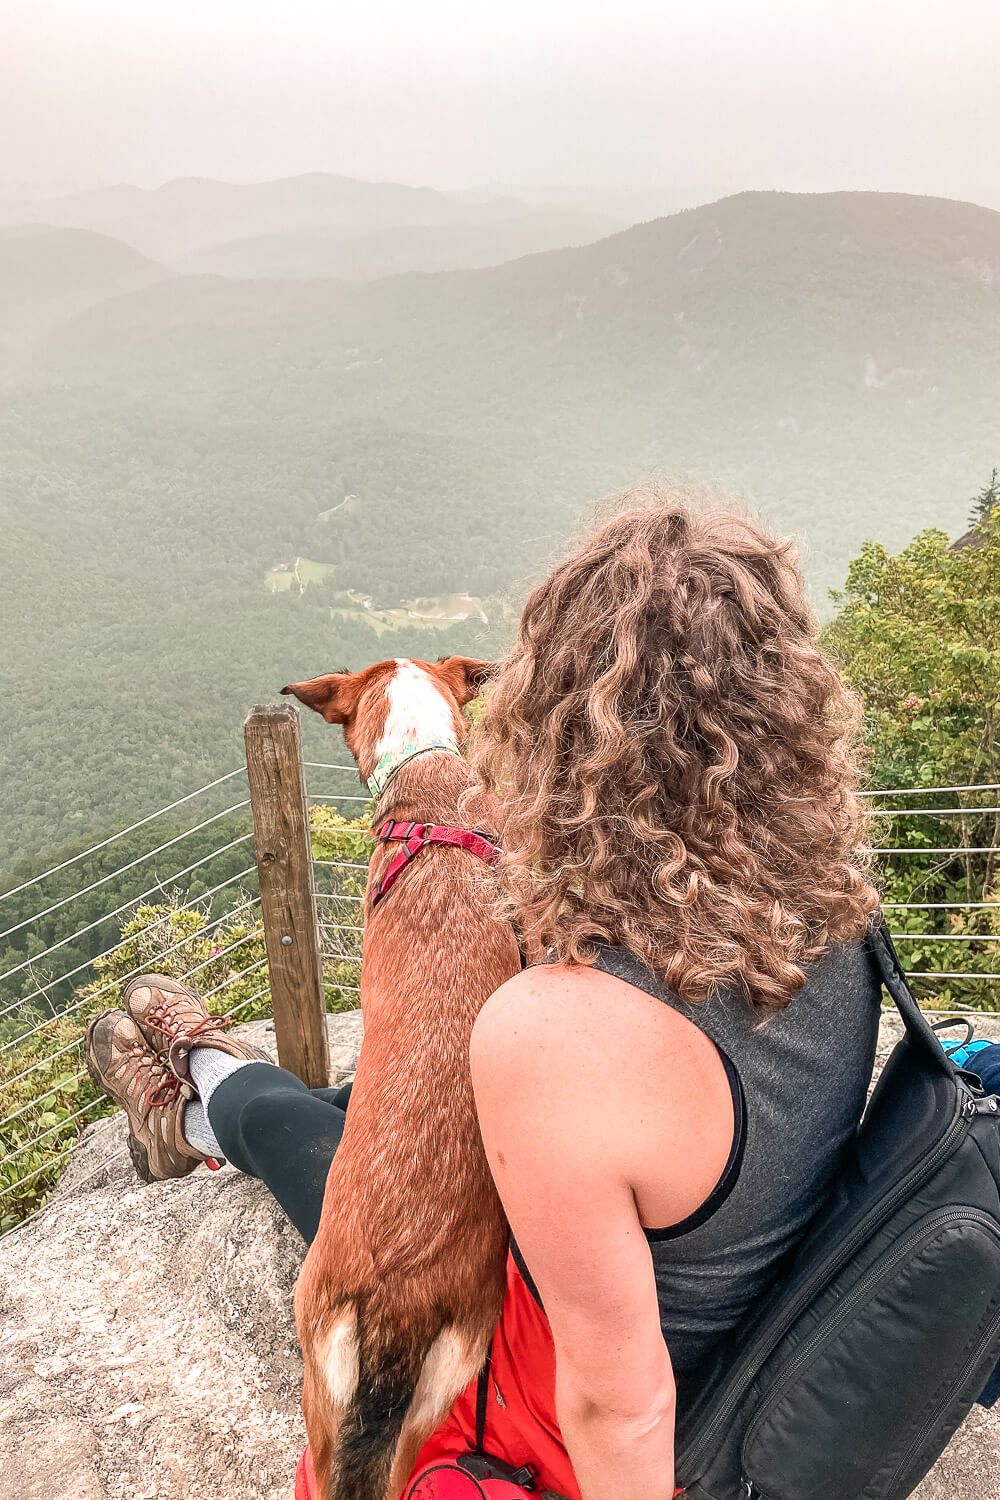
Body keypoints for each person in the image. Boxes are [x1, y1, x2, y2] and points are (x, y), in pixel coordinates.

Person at [87, 500, 887, 1500]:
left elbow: (621, 1407)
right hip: (748, 1310)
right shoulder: (837, 902)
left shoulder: (553, 1030)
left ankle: (204, 1088)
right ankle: (208, 1088)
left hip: (563, 1374)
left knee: (329, 1141)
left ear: (558, 714)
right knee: (391, 1094)